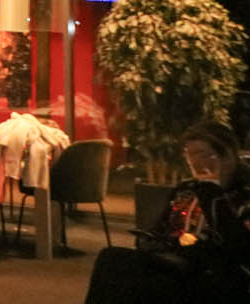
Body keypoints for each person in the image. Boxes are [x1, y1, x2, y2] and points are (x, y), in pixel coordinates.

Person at [84, 121, 250, 303]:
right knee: (111, 259)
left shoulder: (243, 195)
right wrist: (150, 241)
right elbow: (160, 229)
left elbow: (239, 249)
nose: (195, 162)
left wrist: (212, 194)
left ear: (227, 156)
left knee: (139, 285)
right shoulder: (187, 189)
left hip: (217, 276)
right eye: (190, 155)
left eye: (202, 154)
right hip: (176, 263)